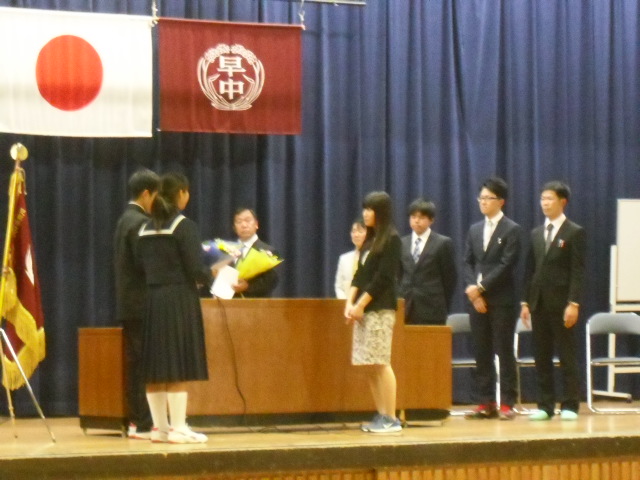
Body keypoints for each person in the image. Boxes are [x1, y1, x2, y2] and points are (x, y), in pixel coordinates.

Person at [137, 173, 212, 444]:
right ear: (181, 193)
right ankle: (179, 428)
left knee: (156, 365)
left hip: (152, 299)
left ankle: (161, 429)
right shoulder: (184, 226)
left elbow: (139, 267)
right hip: (179, 298)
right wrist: (213, 274)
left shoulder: (144, 228)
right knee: (178, 363)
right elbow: (196, 269)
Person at [520, 181, 585, 421]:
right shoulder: (536, 233)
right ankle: (545, 405)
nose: (545, 203)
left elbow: (578, 271)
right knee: (542, 356)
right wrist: (525, 302)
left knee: (566, 355)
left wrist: (573, 303)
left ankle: (570, 404)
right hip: (538, 303)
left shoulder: (574, 232)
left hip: (563, 304)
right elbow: (530, 270)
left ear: (562, 202)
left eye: (549, 199)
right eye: (542, 199)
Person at [463, 177, 521, 421]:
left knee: (504, 350)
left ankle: (507, 402)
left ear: (501, 201)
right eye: (481, 198)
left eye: (489, 198)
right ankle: (485, 402)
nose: (483, 202)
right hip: (477, 300)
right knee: (481, 350)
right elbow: (467, 261)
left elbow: (507, 264)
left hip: (501, 299)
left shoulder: (512, 229)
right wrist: (472, 289)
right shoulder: (475, 229)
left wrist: (481, 287)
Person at [344, 191, 402, 434]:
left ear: (381, 212)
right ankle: (381, 414)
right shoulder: (370, 239)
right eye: (364, 208)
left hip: (380, 309)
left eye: (370, 209)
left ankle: (391, 417)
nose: (365, 213)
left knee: (380, 362)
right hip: (364, 311)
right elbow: (361, 275)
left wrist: (361, 304)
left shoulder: (392, 239)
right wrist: (349, 302)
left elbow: (383, 278)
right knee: (368, 364)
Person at [113, 168, 159, 440]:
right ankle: (142, 422)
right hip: (142, 304)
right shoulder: (141, 222)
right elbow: (146, 264)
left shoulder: (124, 219)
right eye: (156, 196)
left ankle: (137, 421)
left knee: (136, 363)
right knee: (143, 364)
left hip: (129, 303)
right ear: (146, 194)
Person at [399, 198, 457, 325]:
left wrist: (442, 303)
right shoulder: (402, 243)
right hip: (406, 307)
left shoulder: (442, 243)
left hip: (432, 309)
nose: (416, 221)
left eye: (421, 217)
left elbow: (449, 279)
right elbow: (398, 275)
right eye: (413, 217)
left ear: (431, 220)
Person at [231, 207, 279, 298]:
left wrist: (248, 287)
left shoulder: (268, 251)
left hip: (257, 303)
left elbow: (272, 281)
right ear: (234, 227)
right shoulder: (227, 250)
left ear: (256, 224)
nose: (244, 225)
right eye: (239, 222)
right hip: (228, 304)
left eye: (247, 220)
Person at [334, 218, 367, 299]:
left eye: (360, 231)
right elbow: (339, 286)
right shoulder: (344, 259)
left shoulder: (374, 257)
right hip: (346, 303)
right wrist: (346, 302)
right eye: (354, 231)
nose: (356, 235)